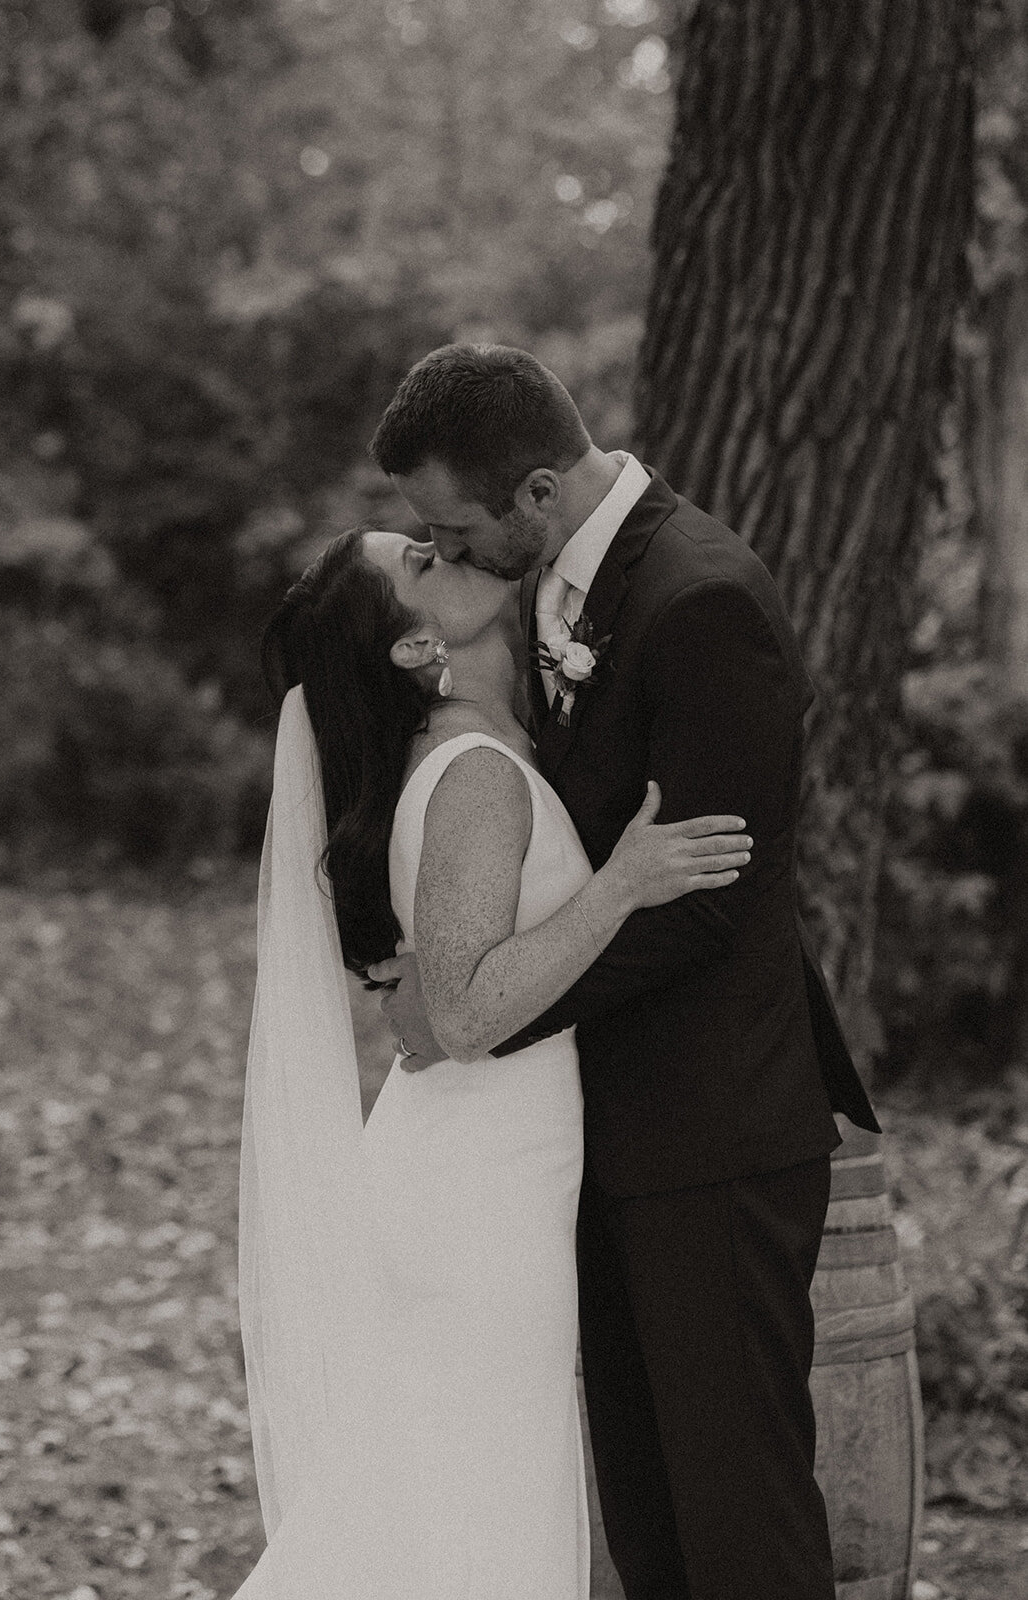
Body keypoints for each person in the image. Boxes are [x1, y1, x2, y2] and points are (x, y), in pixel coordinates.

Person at [368, 343, 882, 1600]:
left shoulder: (698, 596)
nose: (440, 549)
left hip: (710, 1128)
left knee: (741, 1525)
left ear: (535, 496)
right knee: (651, 1527)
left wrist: (483, 998)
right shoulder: (553, 587)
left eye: (452, 526)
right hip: (602, 1131)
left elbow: (706, 896)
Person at [232, 524, 750, 1600]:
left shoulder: (480, 754)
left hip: (480, 1178)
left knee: (435, 1509)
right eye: (418, 563)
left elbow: (443, 988)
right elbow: (464, 1012)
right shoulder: (472, 774)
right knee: (471, 1507)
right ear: (417, 652)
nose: (443, 549)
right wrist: (620, 883)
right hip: (471, 1206)